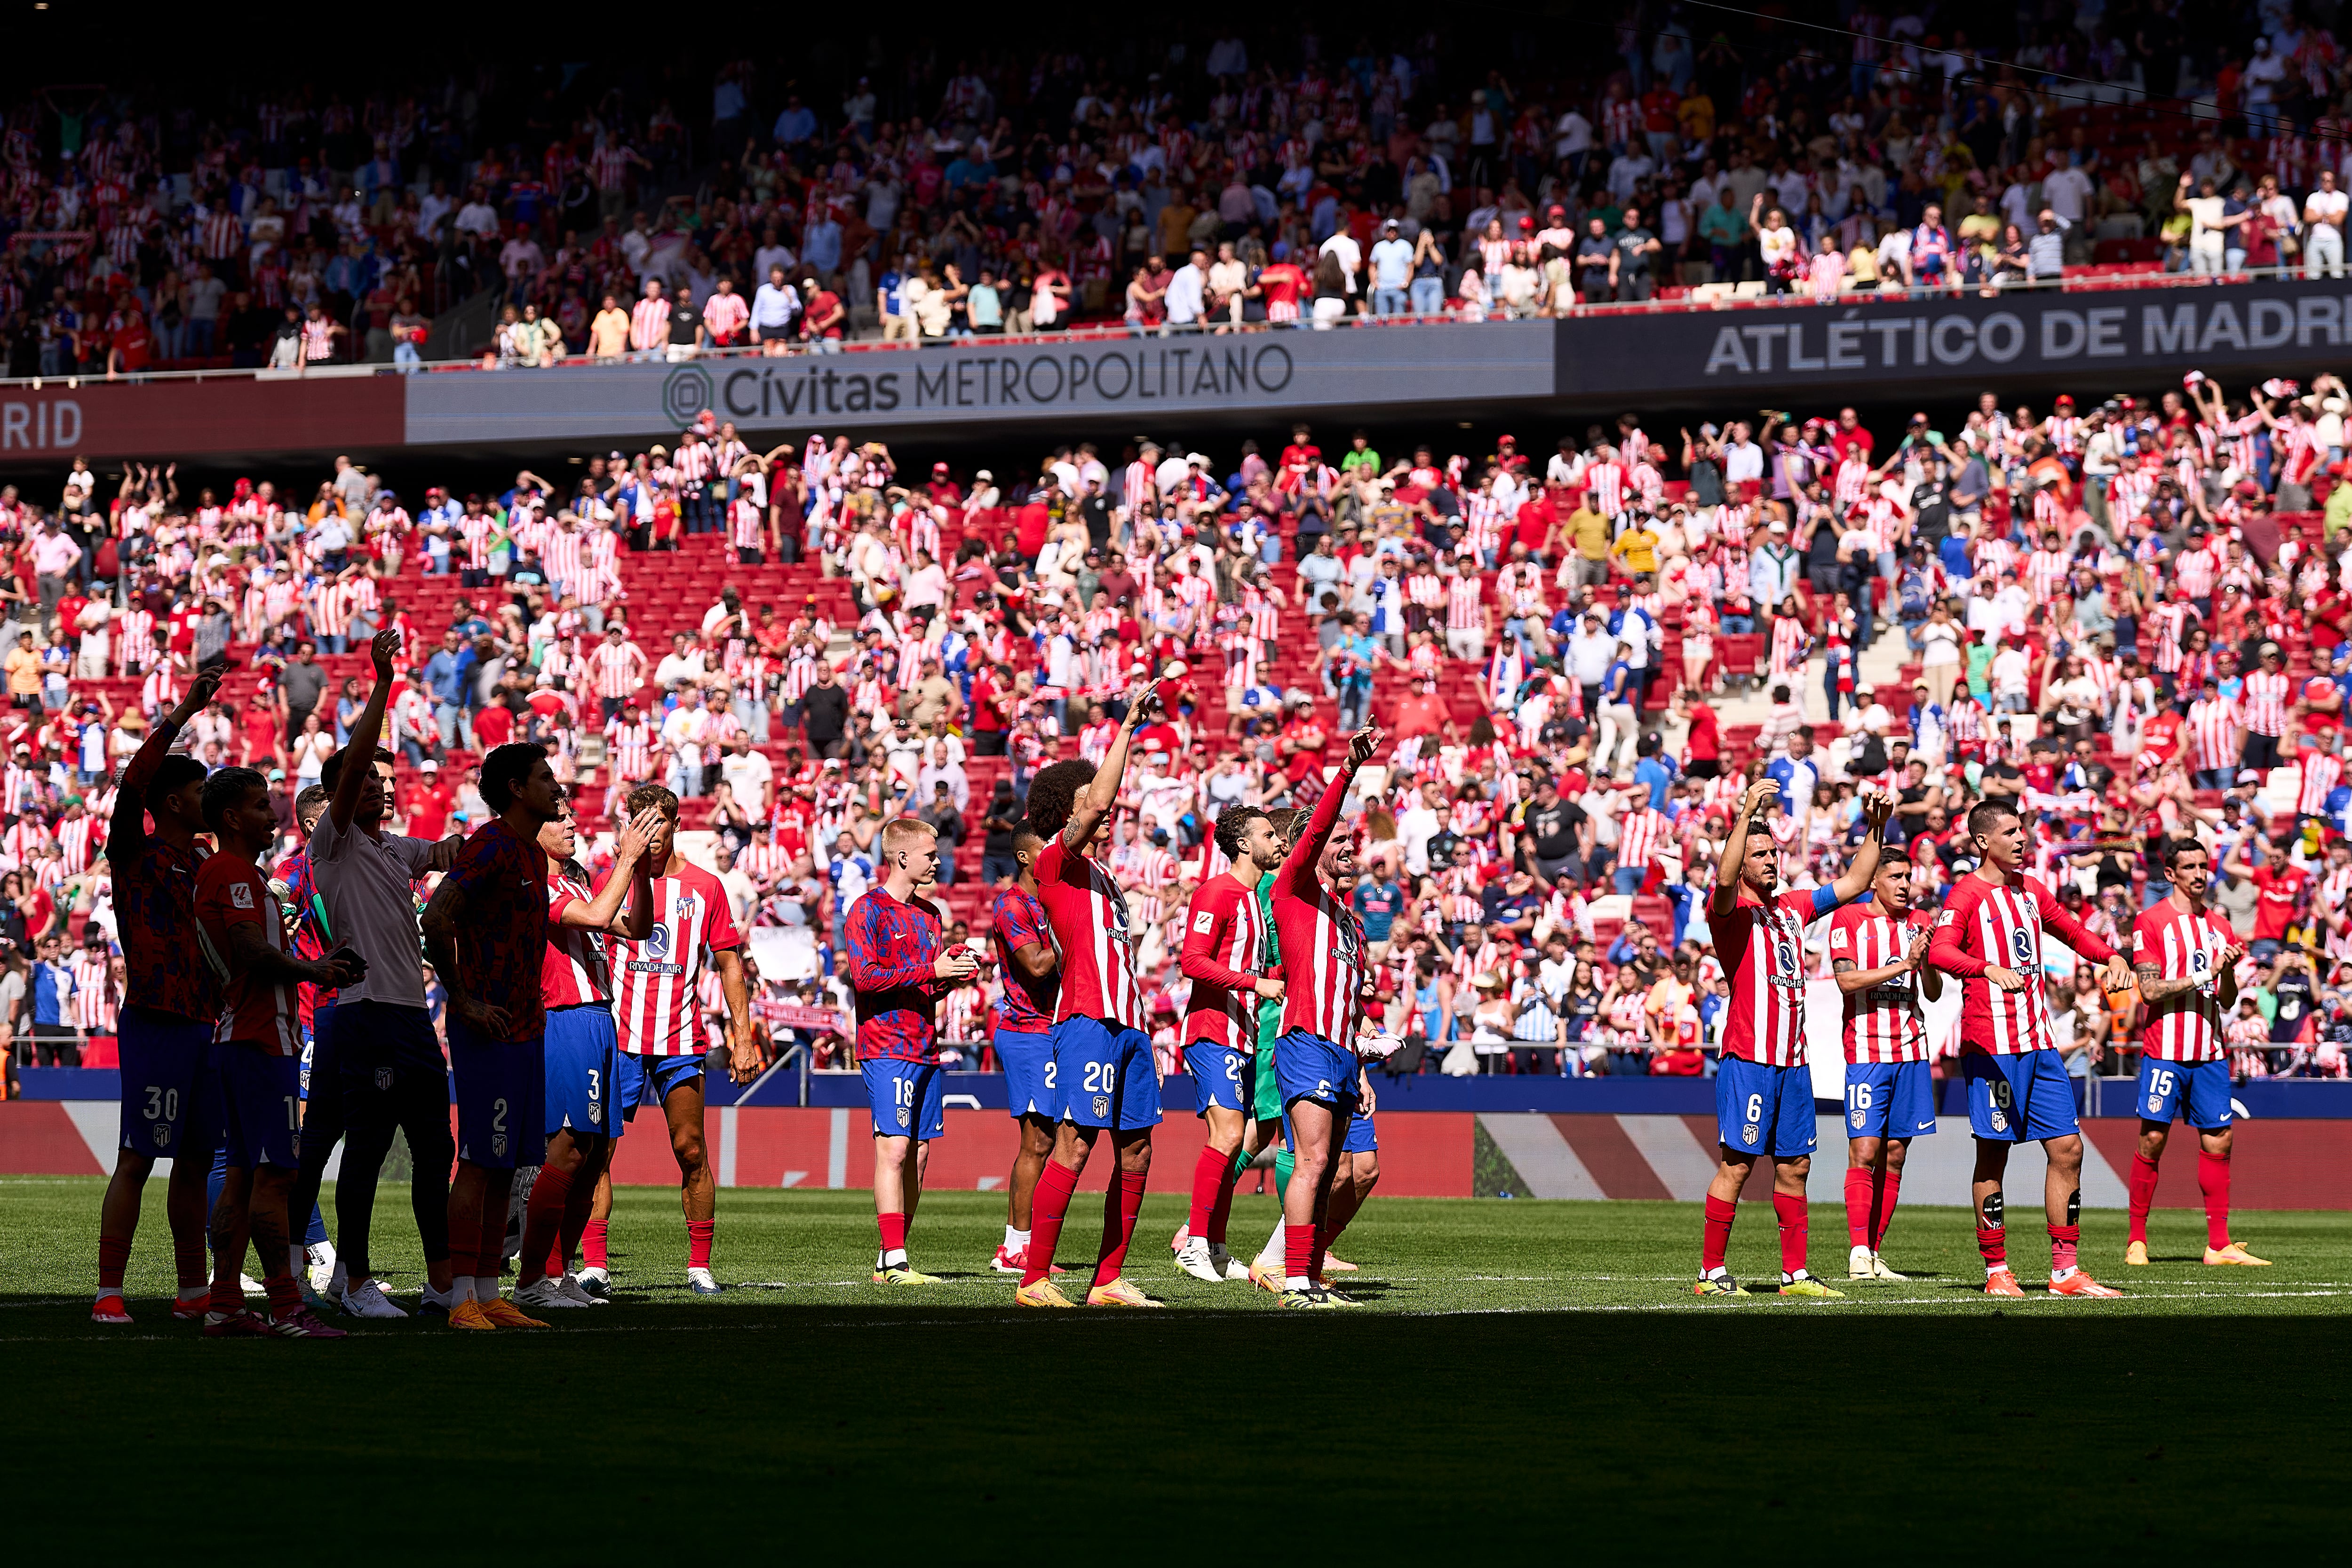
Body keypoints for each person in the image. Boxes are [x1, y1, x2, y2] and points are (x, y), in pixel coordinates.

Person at [303, 630, 461, 1318]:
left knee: (436, 1146)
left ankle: (440, 1280)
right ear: (343, 788)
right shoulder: (332, 841)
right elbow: (358, 757)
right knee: (366, 1145)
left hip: (411, 1015)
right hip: (365, 1011)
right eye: (367, 779)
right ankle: (356, 1280)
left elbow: (452, 851)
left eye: (385, 781)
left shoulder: (395, 848)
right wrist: (384, 681)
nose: (380, 787)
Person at [1927, 798, 2136, 1299]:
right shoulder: (1967, 893)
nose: (2021, 839)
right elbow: (1938, 950)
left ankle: (2064, 1271)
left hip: (2039, 1043)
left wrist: (2110, 956)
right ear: (1982, 841)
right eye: (2009, 832)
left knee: (2067, 1147)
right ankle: (1996, 1269)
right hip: (1990, 1047)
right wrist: (1983, 968)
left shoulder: (2028, 890)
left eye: (2021, 830)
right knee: (1993, 1154)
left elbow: (2070, 930)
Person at [1697, 775, 1890, 1298]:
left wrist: (1875, 829)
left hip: (1793, 1063)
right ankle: (1710, 1273)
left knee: (1795, 1166)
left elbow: (1852, 884)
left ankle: (1794, 1275)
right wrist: (1743, 815)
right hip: (1749, 1058)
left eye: (1773, 852)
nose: (1769, 860)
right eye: (1758, 854)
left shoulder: (1792, 908)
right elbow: (1720, 881)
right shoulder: (1730, 915)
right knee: (1736, 1165)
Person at [1010, 681, 1166, 1308]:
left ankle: (1108, 1279)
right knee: (1076, 1140)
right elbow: (1099, 801)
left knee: (1138, 1147)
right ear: (1062, 811)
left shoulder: (1102, 873)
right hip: (1086, 1018)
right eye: (1082, 795)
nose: (1098, 802)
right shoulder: (1056, 860)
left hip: (1128, 1021)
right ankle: (1034, 1278)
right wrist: (1125, 730)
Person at [193, 765, 360, 1338]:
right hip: (260, 1040)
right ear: (233, 818)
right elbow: (247, 947)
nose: (273, 815)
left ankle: (224, 1303)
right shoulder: (231, 872)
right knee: (273, 1179)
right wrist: (313, 968)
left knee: (241, 1178)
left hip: (251, 1037)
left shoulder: (244, 873)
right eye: (261, 806)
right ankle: (288, 1307)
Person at [577, 782, 761, 1298]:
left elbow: (729, 963)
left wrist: (741, 1037)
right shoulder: (607, 881)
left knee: (691, 1148)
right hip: (619, 1038)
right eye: (640, 824)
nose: (650, 834)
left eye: (657, 823)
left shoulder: (706, 887)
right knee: (598, 1151)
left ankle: (699, 1265)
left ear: (676, 824)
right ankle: (595, 1264)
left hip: (680, 1038)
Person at [91, 667, 223, 1326]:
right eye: (199, 791)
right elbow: (132, 784)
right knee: (139, 1155)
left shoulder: (206, 864)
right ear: (172, 800)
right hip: (156, 1019)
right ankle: (108, 1291)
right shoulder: (133, 852)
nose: (206, 800)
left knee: (197, 1161)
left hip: (207, 1023)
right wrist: (183, 712)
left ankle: (192, 1290)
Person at [419, 742, 565, 1331]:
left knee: (507, 1165)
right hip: (490, 1028)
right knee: (480, 1161)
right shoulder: (491, 845)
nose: (557, 785)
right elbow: (436, 917)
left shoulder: (530, 853)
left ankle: (486, 1291)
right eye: (544, 776)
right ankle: (458, 1299)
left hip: (526, 1027)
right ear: (513, 787)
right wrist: (464, 999)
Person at [511, 798, 663, 1310]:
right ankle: (533, 1277)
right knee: (568, 1150)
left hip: (600, 1021)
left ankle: (560, 1273)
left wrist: (639, 872)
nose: (573, 823)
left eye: (573, 814)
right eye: (559, 817)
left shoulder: (575, 882)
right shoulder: (537, 884)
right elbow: (601, 916)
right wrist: (626, 857)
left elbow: (638, 928)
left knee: (594, 1155)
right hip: (566, 1019)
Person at [1264, 721, 1387, 1307]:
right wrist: (1346, 771)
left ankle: (1309, 1276)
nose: (1346, 846)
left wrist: (1361, 1066)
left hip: (1341, 1050)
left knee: (1336, 1168)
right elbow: (1312, 834)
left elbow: (1354, 1003)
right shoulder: (1291, 890)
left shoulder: (1347, 922)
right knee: (1312, 1162)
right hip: (1306, 1040)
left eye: (1351, 840)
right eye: (1338, 838)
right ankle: (1292, 1280)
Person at [842, 817, 978, 1285]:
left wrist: (950, 976)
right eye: (930, 853)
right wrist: (930, 968)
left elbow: (923, 987)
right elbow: (864, 978)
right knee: (895, 1150)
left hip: (925, 1045)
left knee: (918, 1155)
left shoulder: (931, 915)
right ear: (902, 857)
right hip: (885, 1046)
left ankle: (890, 1257)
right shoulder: (866, 910)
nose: (939, 861)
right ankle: (897, 1259)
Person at [2124, 840, 2269, 1268]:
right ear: (2170, 874)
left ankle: (2218, 1245)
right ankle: (2137, 1240)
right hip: (2165, 1050)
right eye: (2188, 867)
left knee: (2220, 1138)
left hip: (2209, 1050)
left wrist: (2224, 971)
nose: (2199, 874)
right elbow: (2149, 990)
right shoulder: (2150, 921)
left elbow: (2227, 998)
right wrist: (2205, 971)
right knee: (2152, 1139)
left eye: (2203, 866)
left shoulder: (2220, 926)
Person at [1172, 804, 1287, 1284]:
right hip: (1210, 1031)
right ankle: (1194, 1244)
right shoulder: (1215, 892)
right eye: (1267, 834)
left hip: (1241, 1033)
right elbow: (1191, 961)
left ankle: (1215, 1247)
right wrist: (1253, 984)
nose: (1277, 841)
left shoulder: (1252, 898)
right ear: (1243, 844)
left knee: (1235, 1139)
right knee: (1225, 1136)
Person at [1828, 842, 1941, 1283]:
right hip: (1867, 1053)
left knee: (1895, 1155)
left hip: (1912, 1051)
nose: (1905, 885)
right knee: (1865, 1150)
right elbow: (1846, 981)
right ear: (1873, 880)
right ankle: (1857, 1250)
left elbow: (1931, 992)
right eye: (1896, 877)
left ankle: (1874, 1255)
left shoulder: (1919, 923)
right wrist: (1903, 965)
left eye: (1908, 878)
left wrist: (1925, 961)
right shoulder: (1849, 919)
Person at [987, 825, 1063, 1276]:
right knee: (1037, 1140)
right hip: (1028, 1030)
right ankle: (1015, 1247)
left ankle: (1029, 1244)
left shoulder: (1049, 901)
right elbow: (1035, 965)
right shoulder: (1011, 904)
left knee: (1055, 1138)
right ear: (1023, 856)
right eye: (1045, 850)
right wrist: (1072, 929)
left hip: (1057, 1029)